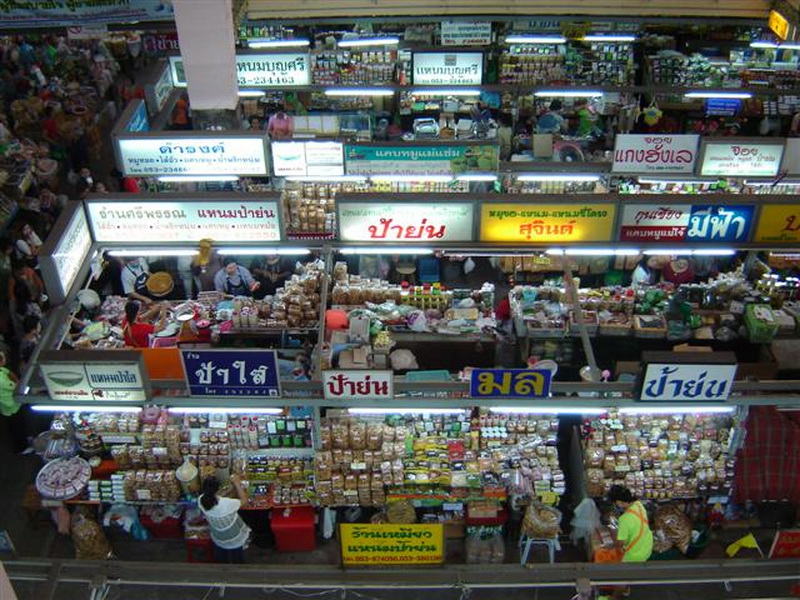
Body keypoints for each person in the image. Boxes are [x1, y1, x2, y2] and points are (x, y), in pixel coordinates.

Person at [198, 475, 251, 564]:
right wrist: (237, 484)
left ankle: (222, 567)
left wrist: (230, 489)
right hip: (233, 537)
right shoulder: (226, 504)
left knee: (221, 556)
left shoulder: (201, 499)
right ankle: (238, 569)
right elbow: (244, 501)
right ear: (218, 489)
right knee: (237, 557)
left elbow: (217, 497)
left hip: (218, 536)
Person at [608, 484, 653, 563]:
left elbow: (621, 543)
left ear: (618, 502)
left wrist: (611, 545)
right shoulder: (638, 505)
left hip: (634, 556)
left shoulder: (625, 519)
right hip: (647, 547)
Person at [0, 350, 26, 453]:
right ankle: (21, 448)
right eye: (3, 359)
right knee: (17, 427)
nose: (5, 361)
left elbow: (9, 372)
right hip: (10, 407)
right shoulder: (1, 380)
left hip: (11, 405)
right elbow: (16, 386)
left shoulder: (2, 370)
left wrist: (16, 380)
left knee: (18, 425)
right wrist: (17, 382)